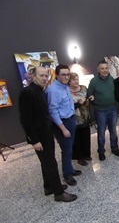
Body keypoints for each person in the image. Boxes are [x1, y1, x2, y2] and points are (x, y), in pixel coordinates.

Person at [19, 66, 77, 202]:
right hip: (39, 137)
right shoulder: (27, 93)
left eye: (46, 76)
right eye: (41, 76)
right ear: (33, 77)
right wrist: (34, 140)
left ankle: (49, 187)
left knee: (46, 162)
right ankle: (59, 193)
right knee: (51, 163)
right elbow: (25, 120)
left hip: (46, 133)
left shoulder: (40, 90)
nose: (45, 78)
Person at [46, 64, 82, 186]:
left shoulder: (65, 86)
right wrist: (63, 128)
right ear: (57, 75)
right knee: (66, 150)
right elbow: (53, 112)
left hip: (70, 119)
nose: (66, 77)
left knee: (70, 147)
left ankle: (70, 169)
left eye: (68, 74)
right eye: (63, 74)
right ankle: (67, 175)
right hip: (62, 123)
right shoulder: (53, 90)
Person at [87, 60, 119, 161]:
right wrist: (91, 96)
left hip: (113, 109)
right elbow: (89, 94)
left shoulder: (111, 79)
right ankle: (101, 151)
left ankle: (114, 148)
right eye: (102, 68)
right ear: (98, 70)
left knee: (113, 131)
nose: (104, 70)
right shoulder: (93, 81)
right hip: (100, 111)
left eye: (106, 68)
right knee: (101, 133)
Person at [69, 73, 92, 166]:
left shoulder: (84, 88)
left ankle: (86, 154)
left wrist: (91, 97)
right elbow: (68, 106)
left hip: (85, 117)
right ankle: (80, 157)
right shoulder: (66, 91)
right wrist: (79, 102)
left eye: (77, 79)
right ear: (69, 81)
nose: (76, 81)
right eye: (74, 79)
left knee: (86, 137)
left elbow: (88, 98)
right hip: (74, 119)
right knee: (77, 139)